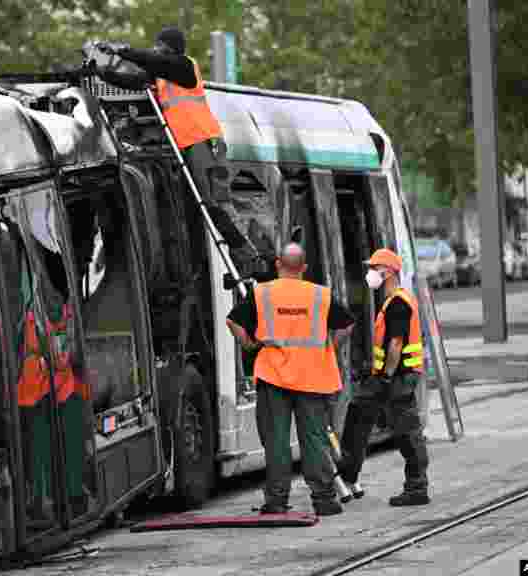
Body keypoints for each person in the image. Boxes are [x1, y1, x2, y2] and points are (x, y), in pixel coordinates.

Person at [226, 243, 355, 516]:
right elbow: (347, 324)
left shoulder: (262, 293)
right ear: (304, 268)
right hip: (313, 378)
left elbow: (233, 321)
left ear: (277, 265)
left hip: (273, 378)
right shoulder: (320, 295)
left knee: (276, 441)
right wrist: (329, 345)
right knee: (315, 440)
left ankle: (277, 501)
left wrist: (250, 344)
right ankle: (324, 499)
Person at [337, 248, 430, 506]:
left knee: (407, 432)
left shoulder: (399, 302)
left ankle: (416, 487)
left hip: (398, 377)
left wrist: (386, 376)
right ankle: (348, 473)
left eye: (373, 268)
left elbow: (396, 344)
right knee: (360, 414)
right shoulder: (392, 301)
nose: (369, 273)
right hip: (391, 376)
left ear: (387, 272)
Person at [96, 26, 227, 202]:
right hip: (185, 142)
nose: (155, 49)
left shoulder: (184, 66)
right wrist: (102, 73)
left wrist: (121, 51)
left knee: (212, 199)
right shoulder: (161, 74)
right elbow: (134, 81)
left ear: (171, 47)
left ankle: (224, 229)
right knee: (195, 201)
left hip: (203, 140)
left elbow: (154, 61)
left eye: (159, 45)